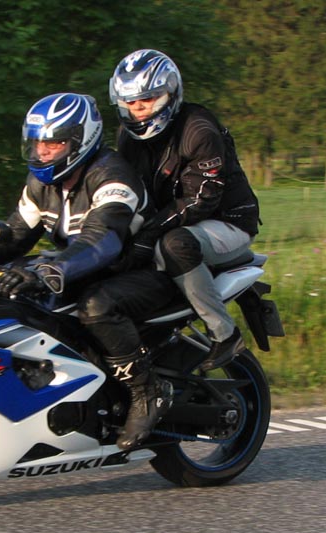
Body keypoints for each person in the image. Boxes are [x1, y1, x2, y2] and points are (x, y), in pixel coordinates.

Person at [0, 92, 176, 449]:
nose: (43, 152)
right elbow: (17, 233)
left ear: (81, 141)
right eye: (38, 143)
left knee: (96, 306)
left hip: (145, 271)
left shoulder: (112, 177)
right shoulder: (41, 184)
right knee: (14, 294)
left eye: (54, 143)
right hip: (88, 269)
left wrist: (49, 269)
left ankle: (147, 391)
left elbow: (102, 241)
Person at [108, 49, 261, 371]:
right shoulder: (127, 137)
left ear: (170, 93)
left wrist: (148, 233)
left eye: (147, 99)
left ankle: (224, 333)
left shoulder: (198, 131)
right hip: (173, 219)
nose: (138, 109)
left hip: (227, 222)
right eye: (130, 102)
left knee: (174, 245)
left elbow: (201, 199)